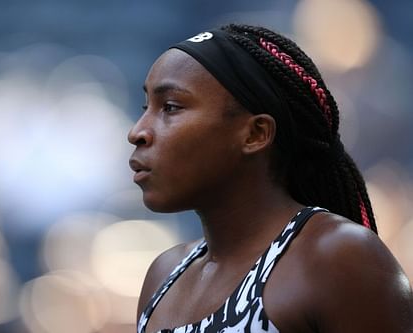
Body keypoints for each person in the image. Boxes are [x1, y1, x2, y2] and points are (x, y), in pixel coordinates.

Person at [127, 24, 413, 333]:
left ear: (255, 133)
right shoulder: (164, 274)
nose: (137, 132)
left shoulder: (337, 257)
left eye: (170, 107)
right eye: (146, 108)